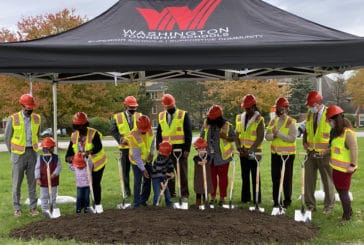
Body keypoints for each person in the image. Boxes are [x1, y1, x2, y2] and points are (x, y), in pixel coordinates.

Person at [4, 94, 41, 216]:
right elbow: (7, 138)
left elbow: (38, 134)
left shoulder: (37, 118)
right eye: (27, 108)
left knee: (32, 182)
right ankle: (17, 208)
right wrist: (13, 152)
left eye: (31, 108)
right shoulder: (13, 118)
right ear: (22, 105)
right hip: (18, 155)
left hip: (32, 153)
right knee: (17, 183)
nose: (29, 110)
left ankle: (33, 208)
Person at [65, 112, 107, 212]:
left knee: (95, 184)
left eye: (83, 126)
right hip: (83, 166)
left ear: (86, 124)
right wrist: (69, 158)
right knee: (84, 185)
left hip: (97, 163)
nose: (81, 128)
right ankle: (85, 206)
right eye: (78, 126)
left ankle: (97, 204)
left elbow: (98, 147)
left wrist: (89, 152)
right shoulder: (74, 136)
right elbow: (69, 152)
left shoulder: (93, 133)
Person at [303, 91, 335, 213]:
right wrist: (304, 141)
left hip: (325, 153)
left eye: (311, 105)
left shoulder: (330, 113)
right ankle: (311, 205)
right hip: (311, 152)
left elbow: (336, 133)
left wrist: (329, 149)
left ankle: (328, 207)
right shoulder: (310, 114)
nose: (310, 108)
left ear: (317, 104)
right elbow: (307, 129)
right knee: (309, 180)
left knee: (327, 180)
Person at [156, 94, 192, 200]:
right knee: (168, 172)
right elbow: (159, 133)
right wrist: (159, 147)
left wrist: (187, 149)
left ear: (174, 103)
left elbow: (188, 133)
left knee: (182, 172)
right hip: (166, 149)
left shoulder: (183, 114)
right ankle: (171, 193)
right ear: (164, 106)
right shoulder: (161, 116)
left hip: (180, 148)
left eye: (170, 106)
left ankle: (184, 194)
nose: (168, 108)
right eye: (167, 106)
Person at [325, 105, 358, 221]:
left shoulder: (347, 133)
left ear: (335, 120)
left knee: (343, 193)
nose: (329, 123)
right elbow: (336, 148)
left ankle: (346, 217)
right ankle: (349, 212)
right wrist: (325, 152)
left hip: (345, 169)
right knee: (341, 191)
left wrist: (352, 165)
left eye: (329, 121)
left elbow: (354, 149)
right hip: (337, 168)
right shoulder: (337, 133)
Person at [200, 105, 236, 206]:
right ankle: (212, 197)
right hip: (209, 156)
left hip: (223, 157)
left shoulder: (227, 125)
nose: (210, 119)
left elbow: (234, 138)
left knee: (223, 178)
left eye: (212, 118)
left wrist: (226, 137)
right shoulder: (206, 124)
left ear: (218, 118)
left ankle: (222, 197)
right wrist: (200, 146)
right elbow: (201, 137)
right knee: (211, 178)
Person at [265, 97, 297, 208]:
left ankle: (287, 201)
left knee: (287, 179)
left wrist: (278, 134)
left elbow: (292, 138)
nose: (278, 110)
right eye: (277, 108)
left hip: (287, 155)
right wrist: (273, 135)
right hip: (275, 154)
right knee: (275, 178)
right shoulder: (273, 120)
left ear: (286, 108)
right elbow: (267, 136)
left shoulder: (291, 122)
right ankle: (276, 200)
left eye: (280, 108)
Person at [235, 94, 265, 205]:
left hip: (254, 153)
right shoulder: (239, 118)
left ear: (253, 107)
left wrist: (251, 150)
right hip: (243, 152)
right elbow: (236, 134)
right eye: (245, 108)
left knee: (255, 175)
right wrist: (238, 147)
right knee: (245, 175)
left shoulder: (259, 119)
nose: (246, 110)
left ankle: (257, 198)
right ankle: (245, 198)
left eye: (248, 108)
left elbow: (260, 137)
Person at [111, 96, 142, 198]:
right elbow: (113, 131)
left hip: (136, 148)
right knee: (125, 172)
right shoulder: (117, 117)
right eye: (131, 108)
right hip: (124, 149)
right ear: (125, 106)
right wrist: (120, 139)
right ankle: (127, 192)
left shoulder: (139, 116)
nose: (133, 110)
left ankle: (138, 191)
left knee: (138, 170)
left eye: (134, 108)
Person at [125, 115, 155, 208]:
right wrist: (143, 169)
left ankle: (143, 200)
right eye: (142, 130)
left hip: (147, 159)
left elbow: (152, 143)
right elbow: (136, 156)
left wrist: (152, 153)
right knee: (138, 181)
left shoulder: (150, 130)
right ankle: (136, 203)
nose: (144, 131)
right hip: (136, 161)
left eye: (146, 129)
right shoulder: (132, 135)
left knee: (148, 180)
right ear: (138, 127)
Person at [35, 137, 62, 215]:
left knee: (53, 197)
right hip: (43, 182)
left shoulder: (56, 158)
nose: (46, 150)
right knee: (43, 197)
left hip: (53, 182)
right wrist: (37, 178)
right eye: (44, 148)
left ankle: (53, 209)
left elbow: (59, 167)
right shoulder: (40, 158)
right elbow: (37, 168)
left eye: (48, 148)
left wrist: (54, 174)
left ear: (51, 148)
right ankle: (45, 210)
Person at [151, 141, 174, 207]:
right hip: (156, 177)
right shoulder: (159, 160)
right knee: (157, 193)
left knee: (167, 192)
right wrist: (161, 182)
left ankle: (169, 204)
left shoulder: (168, 157)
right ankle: (155, 205)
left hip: (163, 176)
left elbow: (170, 164)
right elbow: (158, 172)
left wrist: (171, 172)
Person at [193, 137, 213, 207]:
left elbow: (208, 159)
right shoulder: (195, 157)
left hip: (206, 177)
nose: (201, 151)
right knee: (198, 190)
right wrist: (199, 162)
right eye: (200, 149)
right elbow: (196, 161)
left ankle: (205, 202)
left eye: (203, 149)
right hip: (198, 178)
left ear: (205, 149)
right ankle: (198, 203)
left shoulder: (208, 157)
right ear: (197, 150)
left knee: (205, 189)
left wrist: (206, 161)